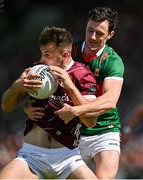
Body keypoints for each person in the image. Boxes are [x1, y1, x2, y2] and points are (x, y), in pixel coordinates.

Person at [0, 26, 98, 179]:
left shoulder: (83, 75)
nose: (42, 59)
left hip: (68, 158)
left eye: (47, 54)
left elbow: (91, 121)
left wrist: (70, 87)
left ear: (65, 55)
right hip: (32, 156)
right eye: (42, 53)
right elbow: (6, 105)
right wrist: (16, 87)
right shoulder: (37, 71)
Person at [54, 7, 124, 179]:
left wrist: (76, 111)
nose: (92, 37)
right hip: (72, 131)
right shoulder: (69, 53)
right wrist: (28, 105)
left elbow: (109, 101)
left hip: (104, 130)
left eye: (99, 34)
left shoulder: (113, 62)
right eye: (90, 30)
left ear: (110, 35)